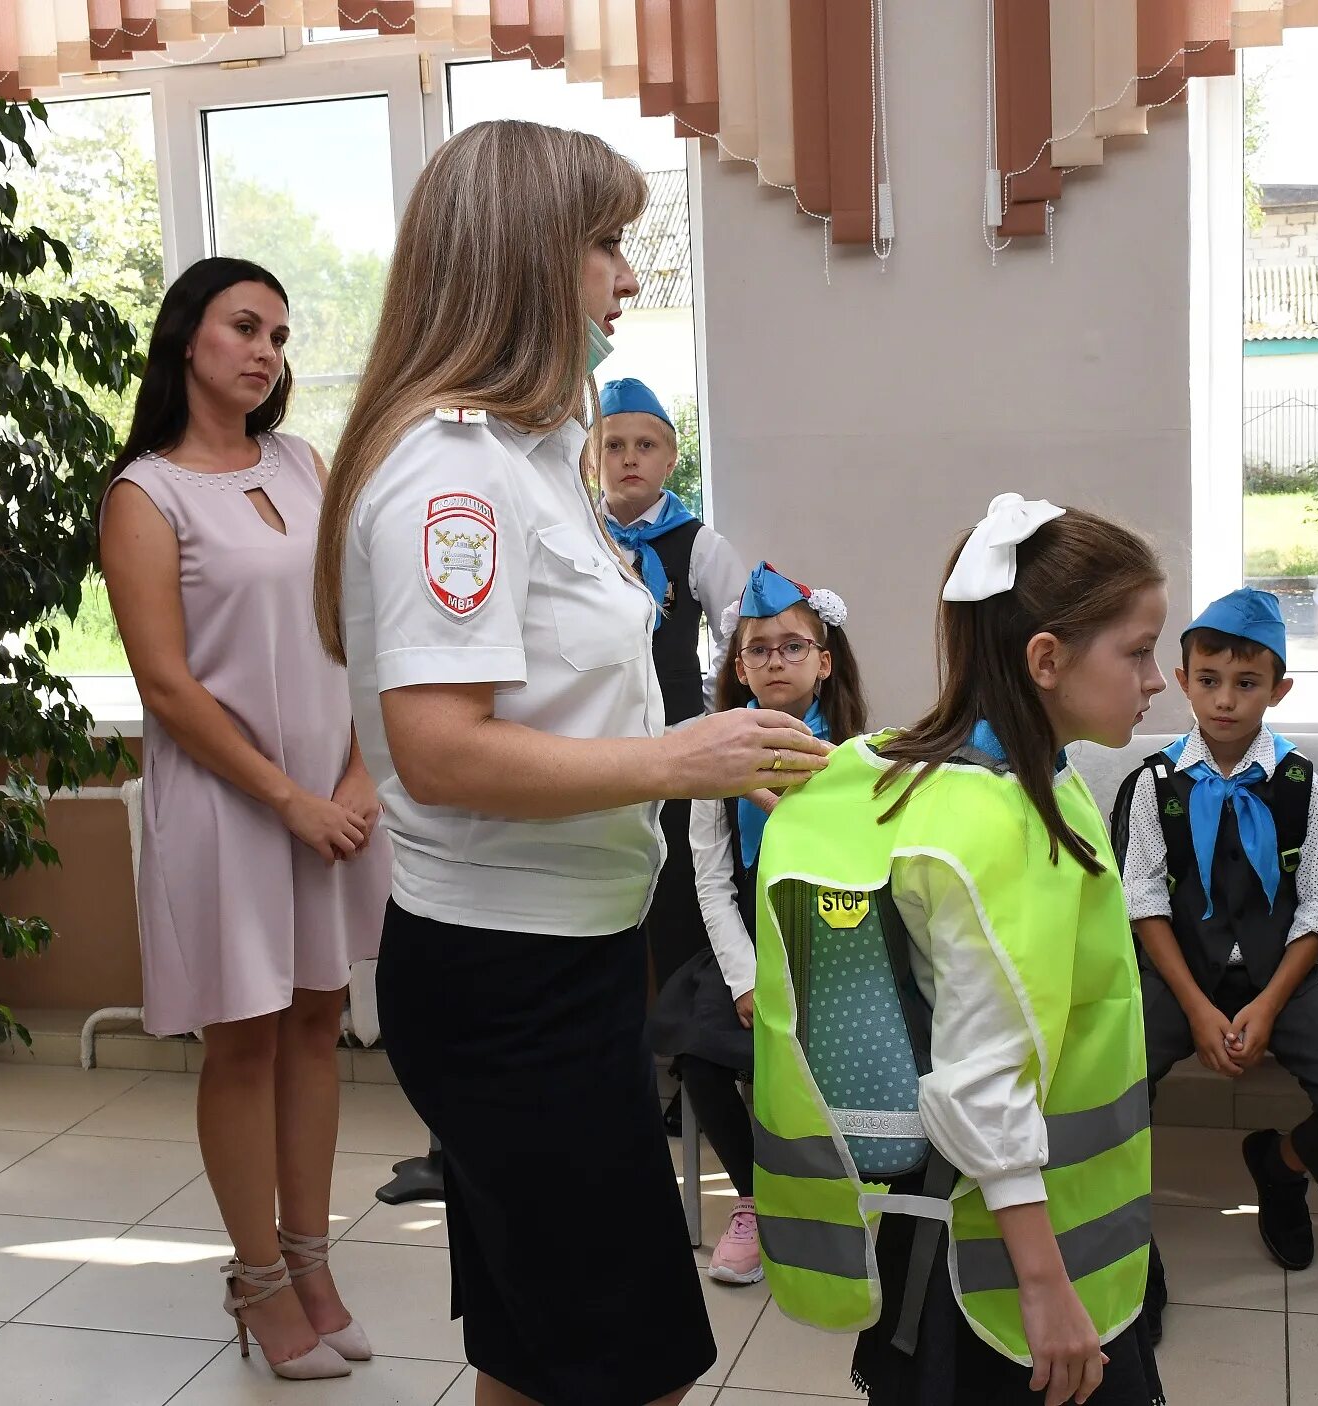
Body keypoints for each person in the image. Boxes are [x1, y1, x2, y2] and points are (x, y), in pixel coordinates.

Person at [311, 119, 831, 1406]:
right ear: (525, 260)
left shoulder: (533, 459)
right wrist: (678, 756)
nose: (626, 277)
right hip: (510, 982)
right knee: (626, 1362)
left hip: (562, 956)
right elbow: (435, 748)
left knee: (534, 1351)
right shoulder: (454, 478)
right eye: (604, 245)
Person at [754, 496, 1168, 1406]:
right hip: (1003, 1259)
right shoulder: (994, 823)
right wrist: (1046, 1288)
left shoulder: (1015, 785)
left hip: (1039, 1227)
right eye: (1138, 652)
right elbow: (978, 1082)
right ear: (1047, 661)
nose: (1158, 679)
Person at [98, 257, 392, 1379]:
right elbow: (166, 687)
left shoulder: (304, 462)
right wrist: (288, 799)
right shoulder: (145, 492)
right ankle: (256, 1277)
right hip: (234, 807)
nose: (266, 350)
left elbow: (357, 622)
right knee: (245, 1036)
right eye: (242, 326)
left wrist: (361, 770)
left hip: (333, 796)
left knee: (320, 1020)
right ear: (187, 341)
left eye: (278, 331)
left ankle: (313, 1261)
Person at [1111, 588, 1318, 1337]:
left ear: (1279, 689)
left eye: (1246, 683)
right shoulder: (1155, 783)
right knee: (1110, 1086)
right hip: (1181, 978)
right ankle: (1130, 1255)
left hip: (1281, 978)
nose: (1225, 700)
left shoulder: (1300, 783)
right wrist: (1199, 1009)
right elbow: (1142, 905)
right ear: (1181, 679)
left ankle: (1283, 1166)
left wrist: (1266, 1006)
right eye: (1209, 680)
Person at [649, 562, 868, 1286]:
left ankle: (832, 1194)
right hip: (747, 941)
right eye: (759, 650)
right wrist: (745, 978)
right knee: (702, 1048)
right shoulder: (721, 752)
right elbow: (710, 879)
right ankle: (752, 1197)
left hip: (833, 937)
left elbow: (853, 857)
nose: (776, 660)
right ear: (739, 668)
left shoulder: (853, 756)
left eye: (792, 646)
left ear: (825, 661)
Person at [595, 376, 749, 1136]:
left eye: (645, 445)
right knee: (609, 922)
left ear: (670, 456)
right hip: (594, 760)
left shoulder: (695, 544)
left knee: (680, 926)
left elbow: (741, 638)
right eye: (614, 444)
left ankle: (691, 1084)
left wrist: (714, 728)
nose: (629, 459)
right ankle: (615, 1076)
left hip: (678, 763)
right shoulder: (578, 535)